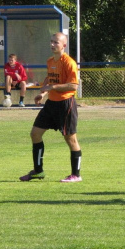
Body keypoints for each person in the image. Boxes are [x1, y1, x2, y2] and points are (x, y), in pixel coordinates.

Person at [19, 33, 83, 183]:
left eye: (56, 42)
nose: (52, 44)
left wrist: (53, 87)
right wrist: (43, 93)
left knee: (70, 138)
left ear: (64, 45)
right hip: (51, 104)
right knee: (35, 134)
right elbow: (50, 78)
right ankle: (38, 171)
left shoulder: (69, 63)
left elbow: (73, 85)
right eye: (51, 42)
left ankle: (76, 175)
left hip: (65, 103)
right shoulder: (50, 61)